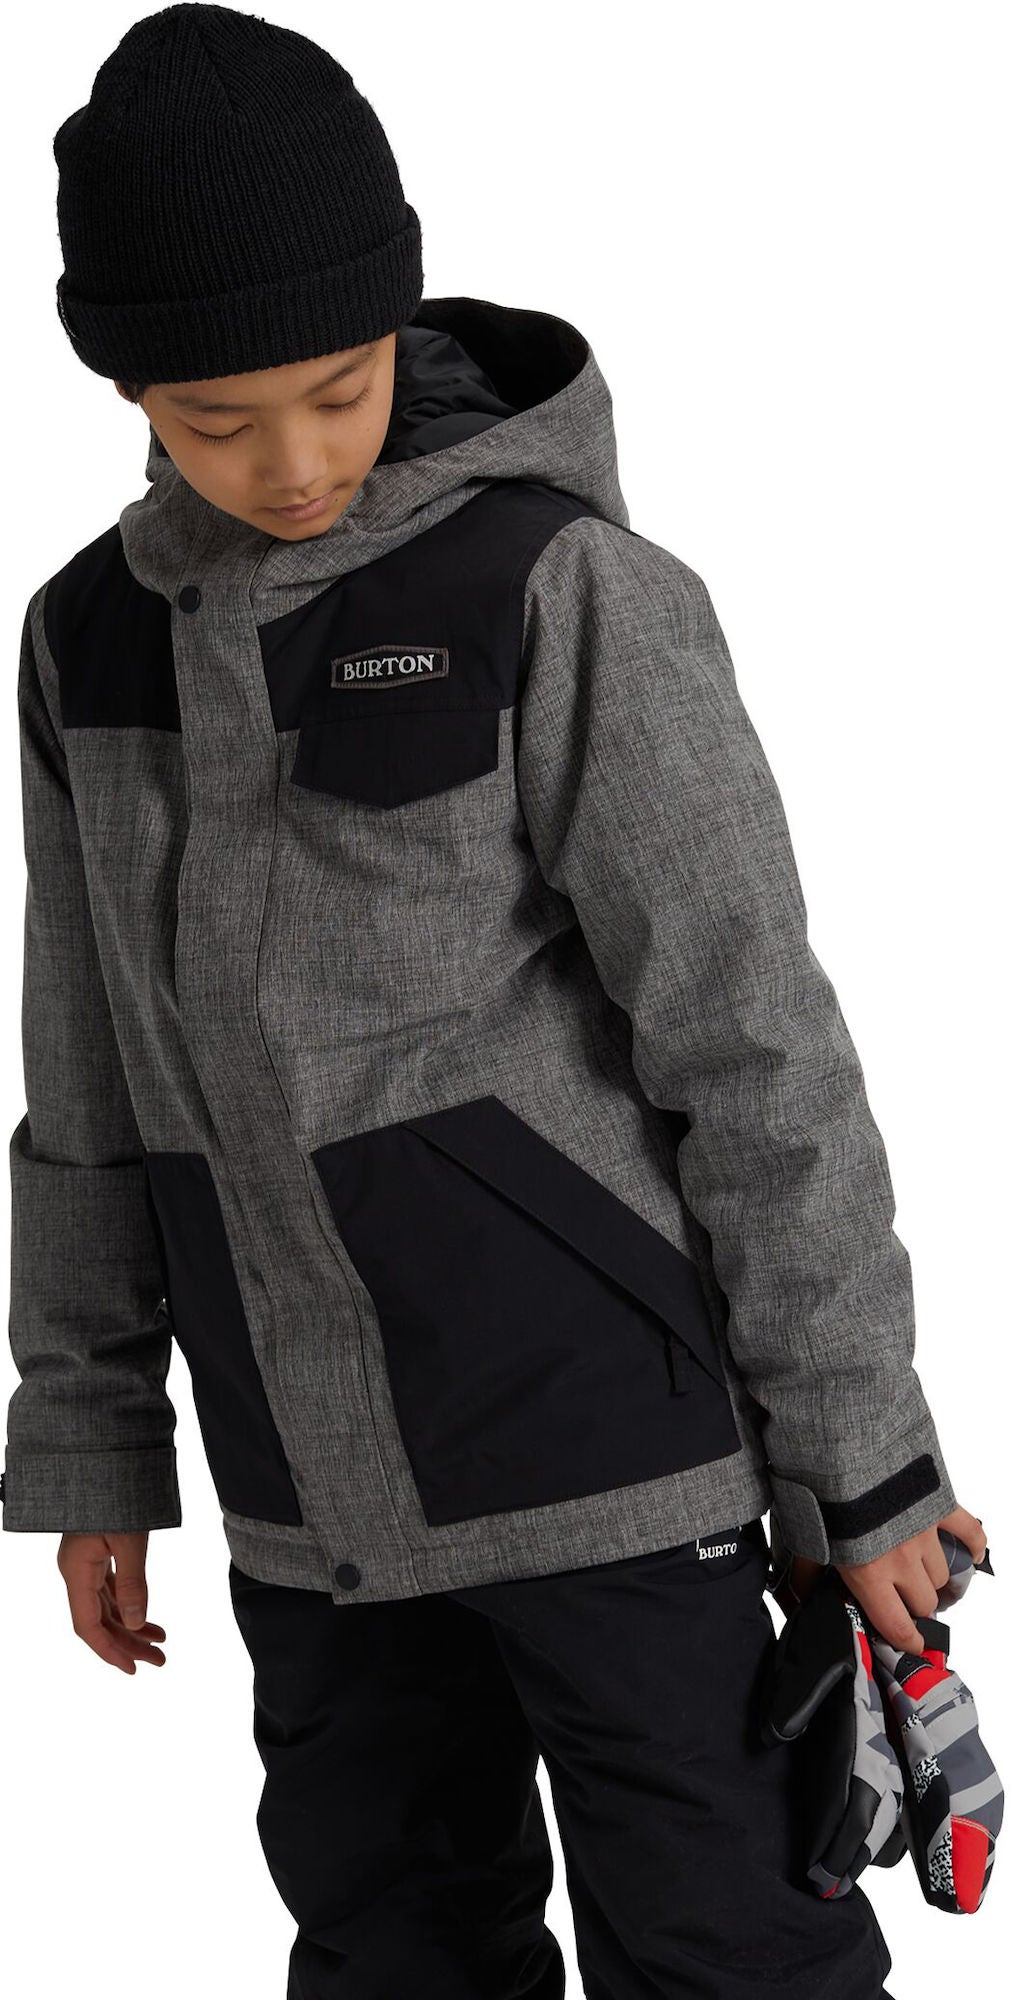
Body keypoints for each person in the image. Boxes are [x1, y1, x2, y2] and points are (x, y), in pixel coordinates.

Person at [1, 6, 987, 1996]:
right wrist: (91, 1442)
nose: (292, 462)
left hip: (615, 1464)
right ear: (121, 382)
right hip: (307, 1505)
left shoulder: (560, 593)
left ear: (397, 321)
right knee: (390, 1953)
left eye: (339, 390)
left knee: (731, 1958)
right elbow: (85, 1078)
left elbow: (753, 1043)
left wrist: (862, 1457)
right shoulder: (87, 642)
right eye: (214, 418)